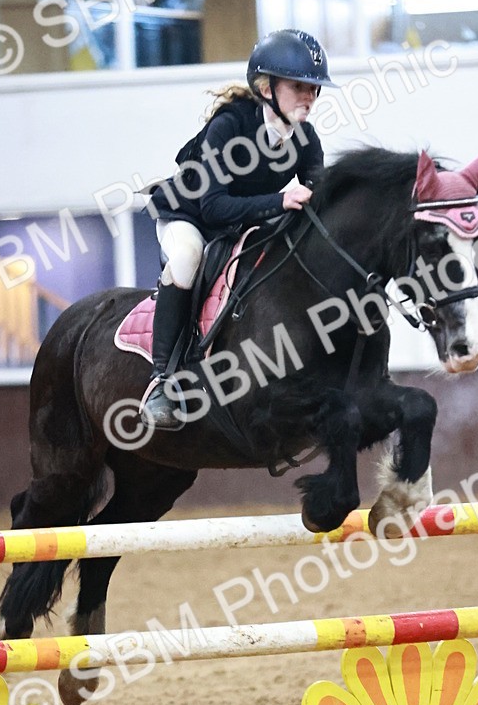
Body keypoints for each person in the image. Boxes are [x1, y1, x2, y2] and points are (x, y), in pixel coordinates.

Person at [141, 28, 334, 429]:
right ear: (266, 88)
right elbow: (213, 207)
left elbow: (318, 198)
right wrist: (281, 201)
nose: (310, 98)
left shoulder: (305, 139)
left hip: (240, 219)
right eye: (299, 87)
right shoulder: (228, 127)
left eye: (314, 89)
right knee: (186, 259)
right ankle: (164, 381)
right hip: (189, 216)